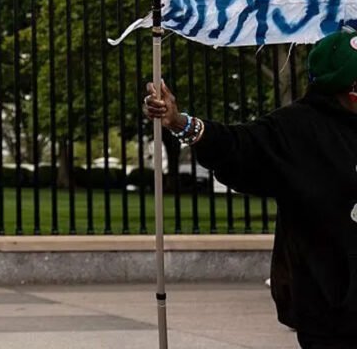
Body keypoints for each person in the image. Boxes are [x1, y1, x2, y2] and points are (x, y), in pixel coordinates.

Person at [143, 27, 357, 348]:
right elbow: (236, 145)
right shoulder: (296, 129)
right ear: (345, 87)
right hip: (331, 304)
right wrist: (180, 122)